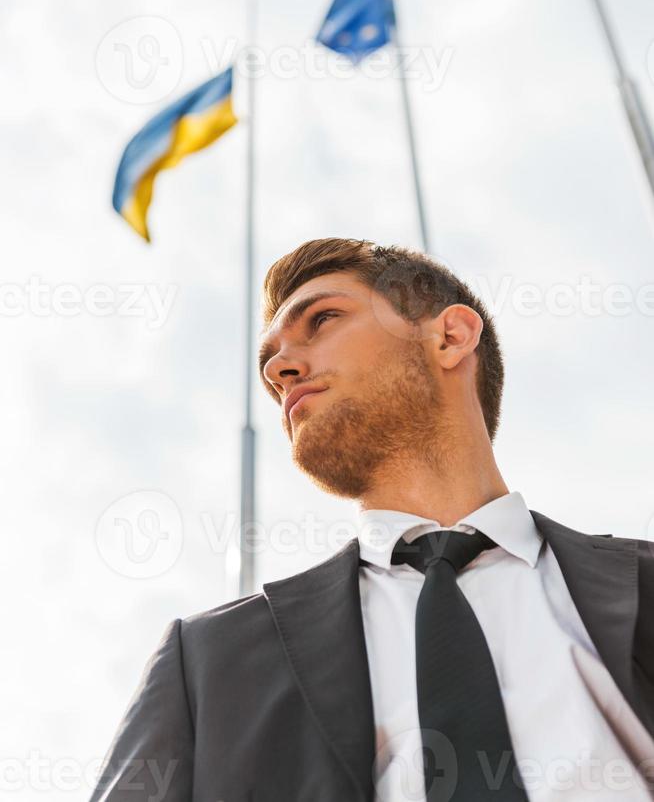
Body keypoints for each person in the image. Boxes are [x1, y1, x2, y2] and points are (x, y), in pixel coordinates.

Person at [89, 237, 654, 802]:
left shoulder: (643, 581)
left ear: (451, 336)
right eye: (269, 366)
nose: (280, 369)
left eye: (323, 318)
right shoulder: (208, 662)